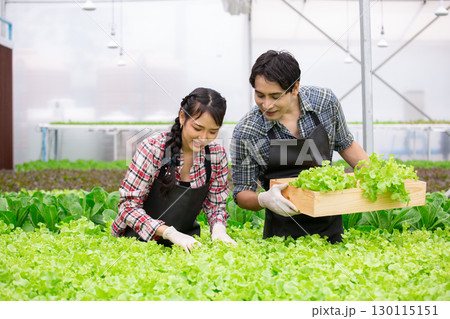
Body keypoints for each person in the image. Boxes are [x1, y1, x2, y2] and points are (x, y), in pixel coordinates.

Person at [230, 50, 370, 244]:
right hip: (280, 238)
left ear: (294, 88)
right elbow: (242, 193)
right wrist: (264, 199)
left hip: (331, 229)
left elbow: (346, 144)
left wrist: (376, 178)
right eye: (259, 95)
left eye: (275, 96)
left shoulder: (324, 103)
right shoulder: (248, 130)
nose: (266, 104)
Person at [112, 87, 236, 253]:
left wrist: (219, 230)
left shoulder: (216, 155)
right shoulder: (153, 149)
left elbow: (216, 206)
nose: (204, 137)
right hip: (136, 242)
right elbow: (128, 207)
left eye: (213, 131)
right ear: (182, 117)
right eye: (197, 128)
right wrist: (169, 232)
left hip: (183, 245)